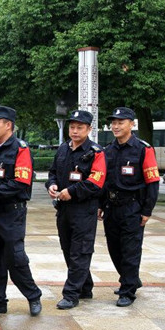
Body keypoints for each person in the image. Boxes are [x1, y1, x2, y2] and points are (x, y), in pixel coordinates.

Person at [0, 105, 42, 321]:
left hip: (12, 213)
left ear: (8, 125)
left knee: (15, 257)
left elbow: (21, 183)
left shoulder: (20, 149)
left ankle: (33, 295)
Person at [99, 107, 159, 307]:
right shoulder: (108, 150)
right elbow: (104, 181)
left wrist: (147, 210)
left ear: (132, 124)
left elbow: (152, 181)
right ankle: (131, 278)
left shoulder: (143, 149)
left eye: (120, 122)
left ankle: (127, 291)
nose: (115, 126)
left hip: (132, 207)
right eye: (113, 123)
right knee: (114, 249)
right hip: (111, 207)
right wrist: (101, 204)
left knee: (130, 250)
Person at [46, 110, 106, 309]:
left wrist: (71, 191)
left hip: (84, 209)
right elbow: (53, 172)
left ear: (89, 129)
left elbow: (96, 182)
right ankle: (85, 286)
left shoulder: (96, 152)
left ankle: (71, 294)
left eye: (80, 127)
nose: (75, 131)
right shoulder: (63, 149)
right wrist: (52, 185)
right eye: (72, 127)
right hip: (64, 209)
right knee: (68, 249)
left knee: (80, 251)